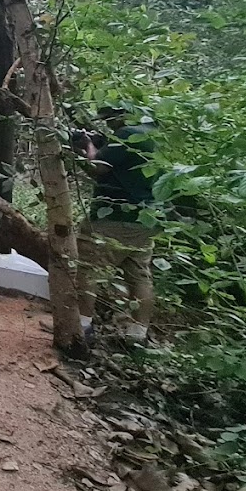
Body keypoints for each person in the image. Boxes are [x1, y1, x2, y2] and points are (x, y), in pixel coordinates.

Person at [76, 105, 159, 342]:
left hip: (114, 217)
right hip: (146, 217)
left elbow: (98, 167)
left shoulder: (127, 134)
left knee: (88, 268)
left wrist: (87, 145)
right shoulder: (154, 134)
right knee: (138, 274)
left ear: (120, 115)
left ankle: (80, 327)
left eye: (109, 121)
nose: (108, 126)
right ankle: (137, 333)